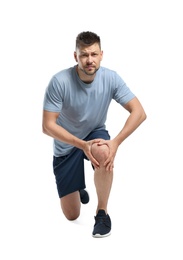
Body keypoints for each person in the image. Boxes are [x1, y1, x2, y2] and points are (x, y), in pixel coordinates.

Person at [42, 31, 146, 238]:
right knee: (71, 215)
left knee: (104, 151)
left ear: (101, 55)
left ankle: (102, 213)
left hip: (94, 133)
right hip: (67, 142)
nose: (90, 60)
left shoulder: (110, 77)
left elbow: (139, 112)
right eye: (84, 55)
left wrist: (115, 142)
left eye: (94, 54)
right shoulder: (59, 81)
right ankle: (78, 187)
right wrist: (81, 145)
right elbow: (47, 126)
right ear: (76, 57)